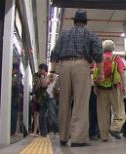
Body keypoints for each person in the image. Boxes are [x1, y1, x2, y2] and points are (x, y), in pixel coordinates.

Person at [49, 9, 103, 147]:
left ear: (74, 21)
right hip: (81, 65)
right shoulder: (90, 35)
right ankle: (78, 139)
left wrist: (52, 71)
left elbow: (54, 53)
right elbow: (98, 54)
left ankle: (63, 136)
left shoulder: (63, 34)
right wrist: (101, 73)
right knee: (80, 103)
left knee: (64, 102)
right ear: (85, 22)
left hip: (63, 66)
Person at [92, 40, 126, 142]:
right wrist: (124, 86)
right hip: (115, 88)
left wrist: (95, 86)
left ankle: (104, 136)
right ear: (113, 48)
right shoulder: (116, 58)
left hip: (101, 89)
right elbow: (122, 73)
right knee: (119, 111)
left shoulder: (98, 59)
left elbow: (95, 75)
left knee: (102, 113)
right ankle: (114, 128)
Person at [33, 63, 50, 137]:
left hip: (49, 99)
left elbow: (44, 85)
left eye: (40, 69)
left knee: (50, 115)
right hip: (42, 99)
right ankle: (44, 133)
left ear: (43, 69)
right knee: (41, 116)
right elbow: (39, 86)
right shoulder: (38, 76)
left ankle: (50, 130)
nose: (39, 70)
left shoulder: (50, 76)